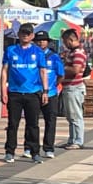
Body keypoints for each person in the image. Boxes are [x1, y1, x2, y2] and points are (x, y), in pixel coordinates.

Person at [0, 24, 48, 163]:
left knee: (33, 124)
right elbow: (4, 71)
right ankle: (10, 151)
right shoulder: (11, 50)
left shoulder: (38, 52)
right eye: (23, 33)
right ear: (19, 34)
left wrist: (45, 91)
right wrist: (4, 90)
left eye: (28, 33)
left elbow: (43, 71)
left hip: (33, 92)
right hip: (15, 92)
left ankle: (35, 152)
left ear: (32, 35)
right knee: (13, 124)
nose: (25, 36)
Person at [35, 33, 64, 161]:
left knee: (50, 121)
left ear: (48, 42)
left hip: (51, 93)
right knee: (32, 122)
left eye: (44, 40)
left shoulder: (54, 57)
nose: (41, 43)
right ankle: (30, 147)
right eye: (39, 41)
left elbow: (61, 74)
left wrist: (53, 86)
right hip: (34, 92)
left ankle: (48, 148)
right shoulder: (32, 55)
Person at [59, 28, 88, 150]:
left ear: (70, 40)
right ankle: (72, 139)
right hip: (69, 87)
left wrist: (61, 67)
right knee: (70, 116)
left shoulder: (78, 53)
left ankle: (78, 140)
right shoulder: (71, 52)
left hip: (74, 88)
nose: (64, 44)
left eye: (65, 41)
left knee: (76, 115)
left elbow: (76, 70)